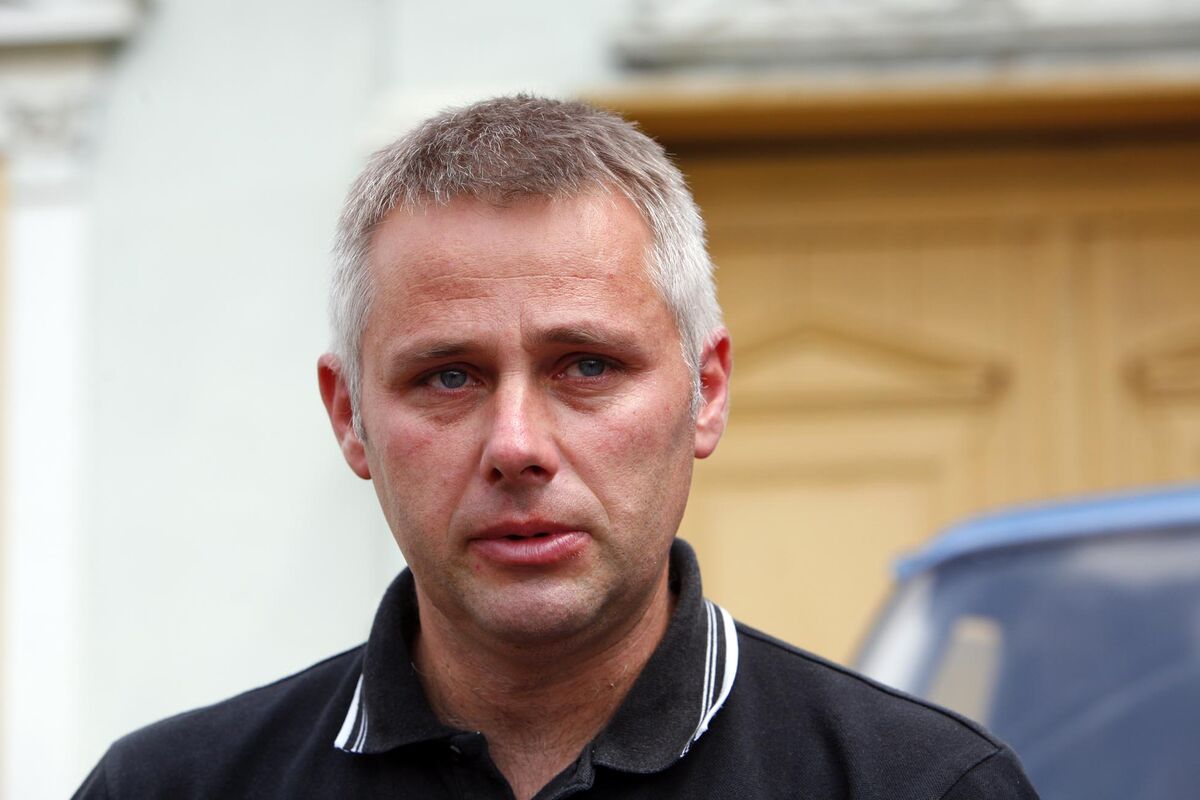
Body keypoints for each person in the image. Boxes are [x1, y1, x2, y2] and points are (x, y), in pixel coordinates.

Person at [73, 95, 1039, 799]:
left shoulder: (919, 786)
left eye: (586, 366)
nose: (517, 446)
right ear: (349, 417)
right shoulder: (168, 789)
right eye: (448, 377)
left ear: (706, 392)